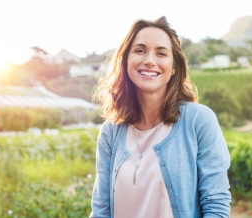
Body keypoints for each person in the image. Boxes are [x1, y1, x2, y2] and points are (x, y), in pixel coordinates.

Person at [90, 16, 231, 218]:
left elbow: (216, 206)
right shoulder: (110, 132)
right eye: (140, 50)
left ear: (174, 66)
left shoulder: (199, 121)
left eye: (161, 53)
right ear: (126, 60)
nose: (149, 60)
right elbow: (101, 211)